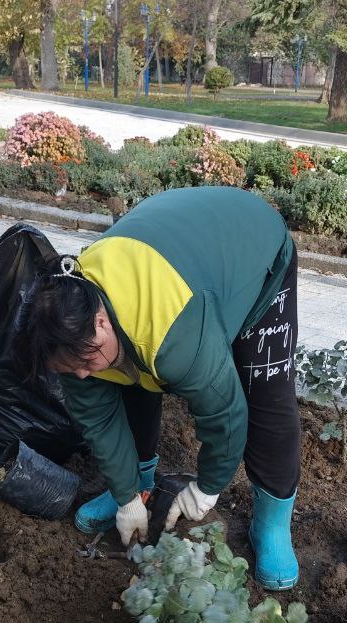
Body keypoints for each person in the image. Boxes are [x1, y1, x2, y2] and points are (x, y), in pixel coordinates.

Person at [15, 186, 302, 590]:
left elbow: (225, 414)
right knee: (124, 378)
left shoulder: (171, 335)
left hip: (251, 248)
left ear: (100, 322)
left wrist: (206, 489)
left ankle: (272, 523)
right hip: (178, 254)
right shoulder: (67, 329)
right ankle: (141, 484)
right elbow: (98, 420)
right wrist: (128, 495)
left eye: (84, 361)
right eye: (69, 368)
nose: (80, 375)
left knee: (266, 396)